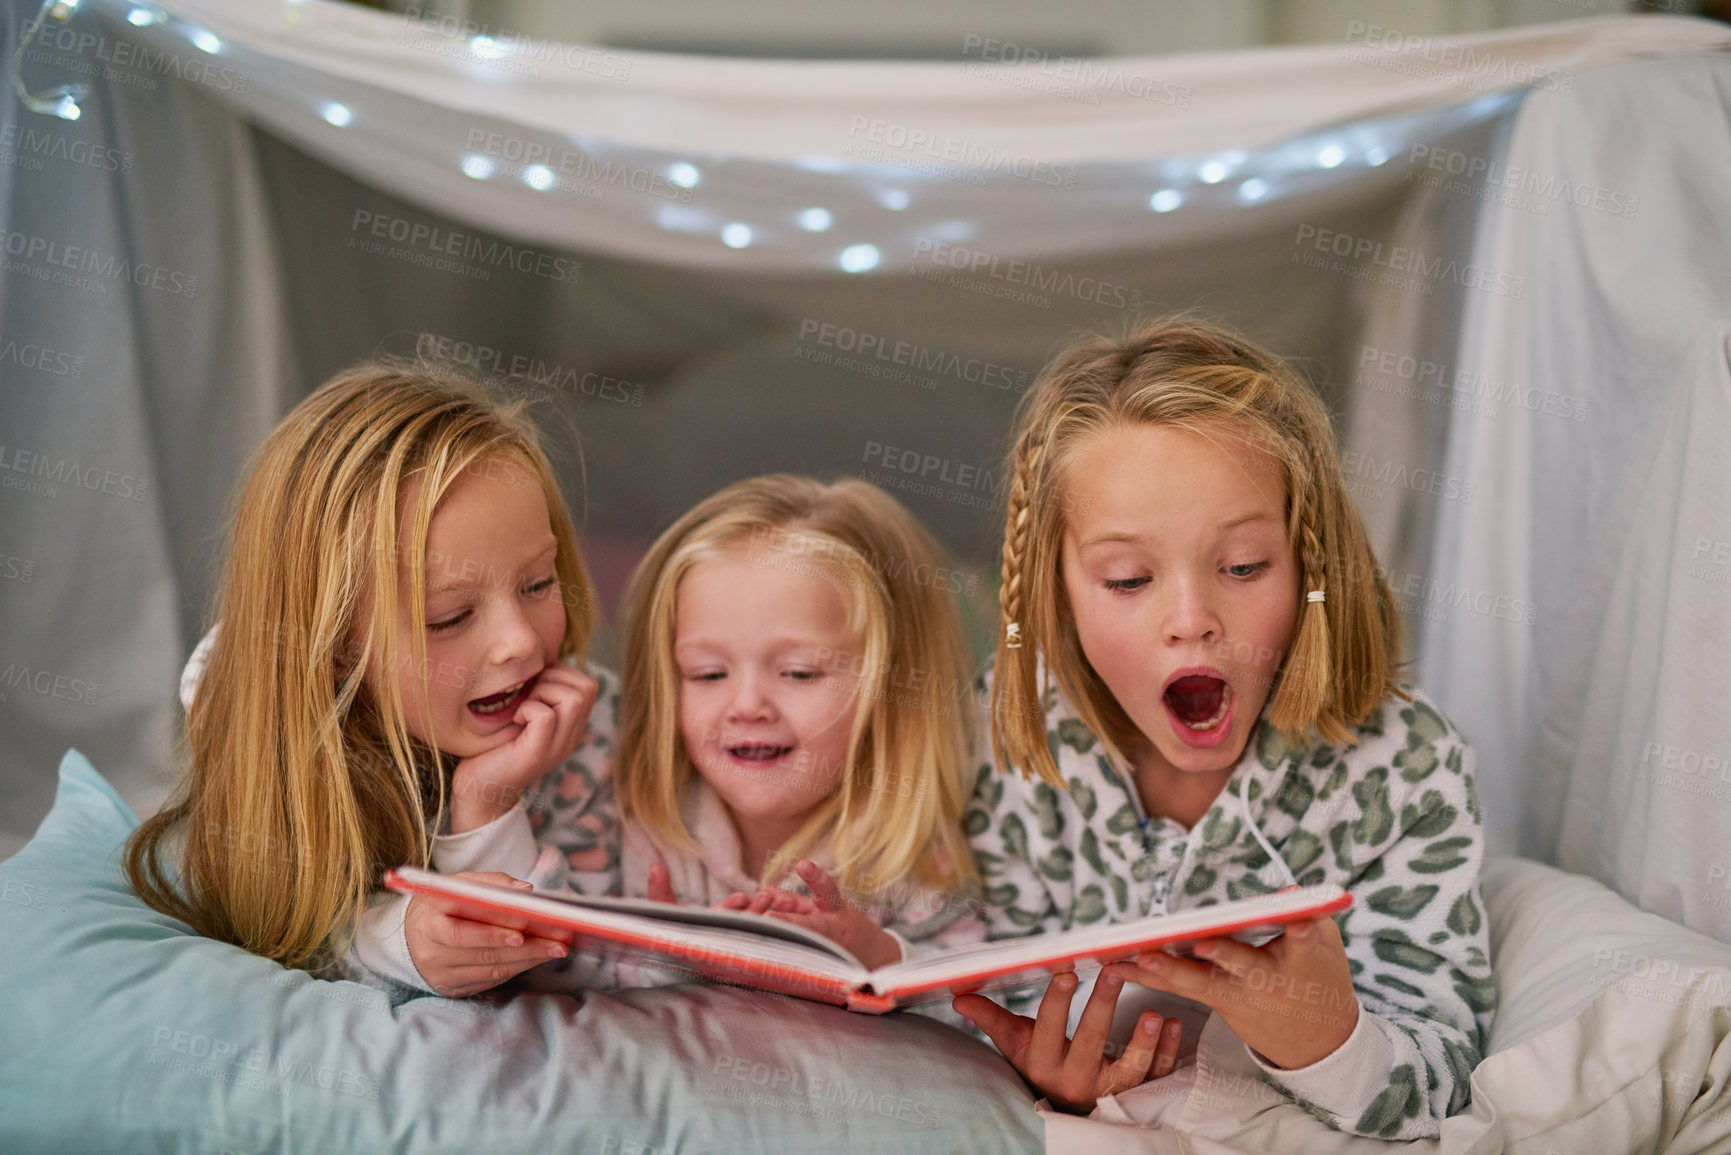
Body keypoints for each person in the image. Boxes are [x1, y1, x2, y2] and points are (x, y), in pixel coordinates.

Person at [952, 318, 1494, 1140]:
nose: (1191, 620)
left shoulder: (1405, 770)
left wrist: (1322, 1039)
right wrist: (1042, 1061)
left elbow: (1442, 1073)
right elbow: (976, 980)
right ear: (1055, 590)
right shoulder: (1010, 734)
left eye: (1242, 565)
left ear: (1311, 565)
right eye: (1127, 578)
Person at [128, 359, 618, 999]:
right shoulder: (249, 709)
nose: (523, 642)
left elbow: (565, 965)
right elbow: (272, 911)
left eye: (538, 583)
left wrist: (486, 812)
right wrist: (400, 940)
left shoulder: (582, 719)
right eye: (451, 616)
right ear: (330, 645)